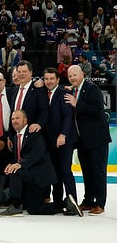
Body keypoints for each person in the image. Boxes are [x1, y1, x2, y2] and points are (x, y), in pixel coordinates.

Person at [0, 110, 80, 217]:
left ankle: (16, 206)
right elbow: (19, 157)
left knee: (15, 173)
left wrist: (20, 165)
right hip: (31, 176)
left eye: (17, 118)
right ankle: (66, 204)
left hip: (40, 175)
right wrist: (11, 164)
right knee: (33, 209)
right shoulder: (15, 137)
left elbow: (36, 154)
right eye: (12, 119)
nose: (14, 121)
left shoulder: (33, 133)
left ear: (25, 120)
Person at [66, 65, 111, 214]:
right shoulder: (72, 91)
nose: (72, 78)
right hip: (82, 141)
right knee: (87, 172)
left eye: (75, 75)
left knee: (98, 172)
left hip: (97, 140)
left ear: (82, 74)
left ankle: (100, 203)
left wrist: (77, 104)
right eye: (70, 76)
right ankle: (88, 201)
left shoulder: (92, 89)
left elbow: (97, 110)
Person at [43, 67, 78, 213]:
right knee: (55, 171)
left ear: (58, 80)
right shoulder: (42, 93)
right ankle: (57, 202)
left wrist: (63, 134)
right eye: (46, 79)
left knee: (65, 170)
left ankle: (72, 202)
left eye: (52, 78)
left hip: (65, 139)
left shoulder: (64, 93)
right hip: (50, 140)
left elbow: (68, 116)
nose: (49, 81)